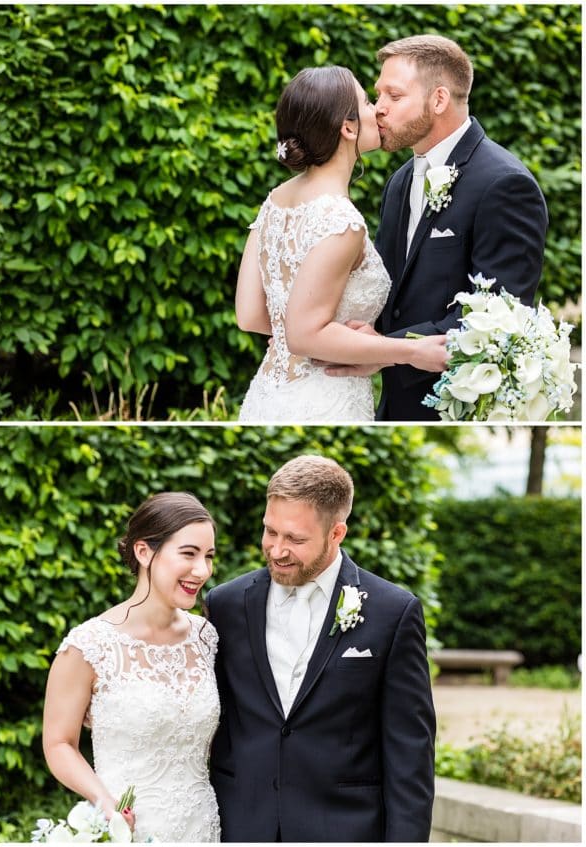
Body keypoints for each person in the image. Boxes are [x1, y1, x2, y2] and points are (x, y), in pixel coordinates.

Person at [206, 455, 435, 842]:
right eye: (270, 531)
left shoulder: (392, 612)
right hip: (242, 825)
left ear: (336, 534)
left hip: (345, 829)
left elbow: (410, 751)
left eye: (295, 539)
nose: (277, 550)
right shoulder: (225, 605)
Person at [327, 35, 548, 420]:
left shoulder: (505, 184)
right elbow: (390, 290)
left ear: (439, 99)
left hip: (452, 409)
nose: (378, 109)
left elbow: (497, 319)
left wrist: (385, 350)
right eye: (378, 96)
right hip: (390, 406)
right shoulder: (400, 182)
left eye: (393, 97)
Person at [236, 66, 449, 422]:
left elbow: (251, 314)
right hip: (324, 398)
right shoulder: (341, 222)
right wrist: (409, 351)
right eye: (367, 101)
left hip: (267, 396)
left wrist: (304, 336)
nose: (378, 109)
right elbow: (303, 333)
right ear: (347, 127)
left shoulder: (275, 200)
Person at [42, 492, 221, 842]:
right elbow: (59, 743)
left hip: (203, 826)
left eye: (209, 556)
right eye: (188, 553)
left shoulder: (207, 637)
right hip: (131, 828)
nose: (201, 571)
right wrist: (106, 806)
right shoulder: (89, 645)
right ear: (144, 552)